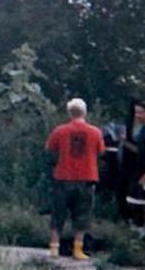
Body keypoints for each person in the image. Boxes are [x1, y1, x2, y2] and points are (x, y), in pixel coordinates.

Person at [44, 98, 106, 259]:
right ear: (84, 112)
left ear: (69, 113)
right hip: (87, 178)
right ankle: (78, 250)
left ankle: (54, 249)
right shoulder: (95, 132)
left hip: (63, 177)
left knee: (58, 214)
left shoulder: (59, 130)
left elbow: (50, 148)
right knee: (82, 215)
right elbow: (101, 151)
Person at [123, 101, 145, 214]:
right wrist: (125, 143)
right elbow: (140, 151)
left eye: (140, 112)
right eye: (136, 113)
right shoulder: (142, 129)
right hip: (138, 169)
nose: (137, 116)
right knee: (136, 200)